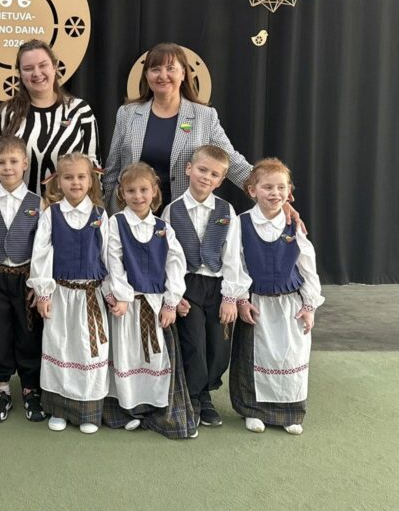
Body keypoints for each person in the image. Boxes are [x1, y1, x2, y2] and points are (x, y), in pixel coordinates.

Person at [227, 158, 323, 435]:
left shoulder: (294, 225)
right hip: (256, 303)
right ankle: (252, 410)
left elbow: (308, 266)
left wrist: (309, 306)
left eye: (281, 187)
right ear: (252, 190)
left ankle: (290, 412)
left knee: (290, 357)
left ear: (289, 191)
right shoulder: (241, 223)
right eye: (267, 187)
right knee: (253, 359)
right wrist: (241, 300)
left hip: (290, 304)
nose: (275, 193)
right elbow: (235, 263)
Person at [102, 162, 196, 439]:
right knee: (126, 355)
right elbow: (112, 261)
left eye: (144, 190)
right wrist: (122, 296)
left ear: (154, 191)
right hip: (127, 306)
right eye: (131, 191)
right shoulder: (116, 223)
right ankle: (128, 409)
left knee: (156, 359)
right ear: (122, 194)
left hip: (156, 305)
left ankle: (155, 408)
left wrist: (171, 302)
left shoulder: (163, 227)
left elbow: (175, 265)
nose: (138, 196)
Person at [102, 43, 252, 212]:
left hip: (181, 214)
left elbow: (232, 161)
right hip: (131, 212)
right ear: (146, 75)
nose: (163, 75)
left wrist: (267, 188)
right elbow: (113, 169)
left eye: (170, 68)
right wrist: (104, 211)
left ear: (183, 74)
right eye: (155, 69)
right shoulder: (127, 113)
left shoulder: (204, 116)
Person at [161, 144, 244, 428]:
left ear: (221, 181)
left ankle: (206, 389)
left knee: (218, 346)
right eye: (202, 170)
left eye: (214, 174)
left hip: (218, 286)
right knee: (194, 343)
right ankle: (195, 397)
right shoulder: (172, 210)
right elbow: (168, 258)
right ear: (189, 169)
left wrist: (231, 297)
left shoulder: (226, 210)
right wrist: (174, 295)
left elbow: (232, 255)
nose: (206, 177)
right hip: (187, 285)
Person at [29, 152, 111, 434]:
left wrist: (112, 292)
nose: (75, 182)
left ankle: (88, 411)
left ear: (90, 181)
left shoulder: (100, 215)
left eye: (81, 177)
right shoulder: (51, 214)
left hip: (91, 297)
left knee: (89, 351)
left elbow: (109, 256)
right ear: (58, 182)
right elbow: (41, 255)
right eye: (68, 177)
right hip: (61, 295)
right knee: (59, 347)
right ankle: (59, 409)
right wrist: (43, 293)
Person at [0, 136, 46, 423]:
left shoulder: (37, 203)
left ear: (25, 164)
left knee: (28, 334)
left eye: (13, 161)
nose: (7, 168)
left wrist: (38, 285)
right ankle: (2, 390)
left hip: (25, 280)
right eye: (1, 163)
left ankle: (30, 389)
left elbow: (42, 248)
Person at [0, 40, 100, 195]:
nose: (36, 73)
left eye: (43, 65)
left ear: (54, 67)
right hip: (17, 209)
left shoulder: (80, 111)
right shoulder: (7, 113)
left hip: (66, 208)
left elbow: (94, 167)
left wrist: (91, 207)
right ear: (20, 74)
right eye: (28, 68)